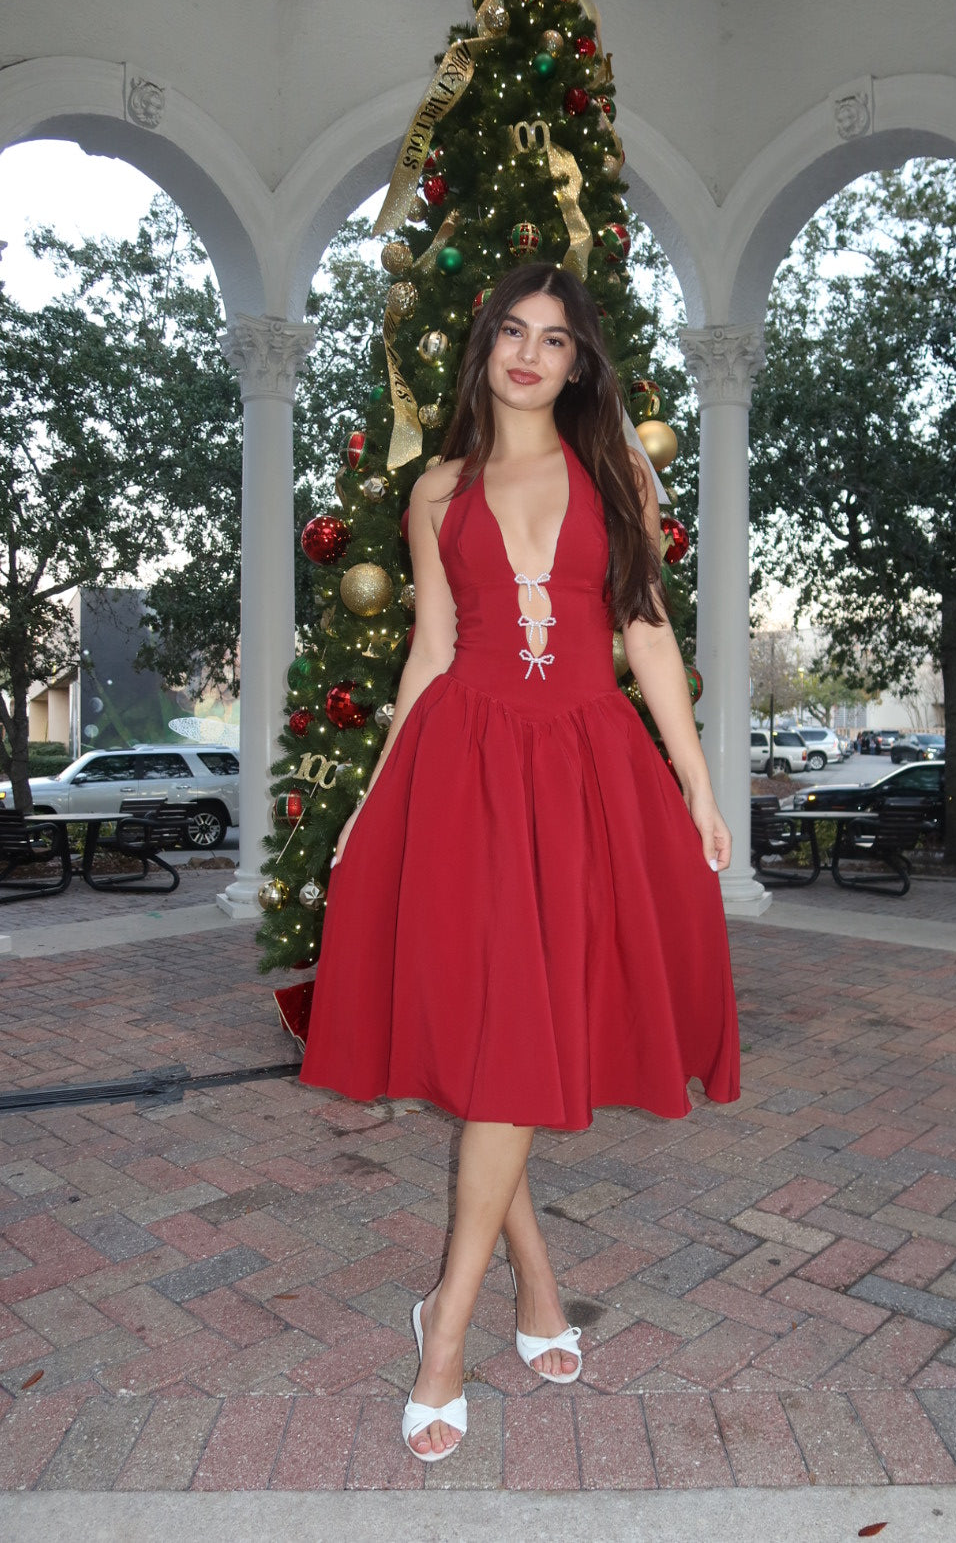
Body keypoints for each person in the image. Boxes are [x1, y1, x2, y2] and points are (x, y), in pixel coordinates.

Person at [297, 262, 739, 1462]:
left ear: (581, 361)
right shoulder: (439, 486)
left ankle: (477, 1303)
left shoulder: (616, 473)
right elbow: (431, 652)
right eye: (512, 331)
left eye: (555, 338)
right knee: (510, 1037)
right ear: (484, 346)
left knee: (524, 1036)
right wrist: (370, 805)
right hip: (468, 774)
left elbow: (646, 628)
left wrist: (699, 786)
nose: (531, 353)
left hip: (590, 773)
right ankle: (459, 1333)